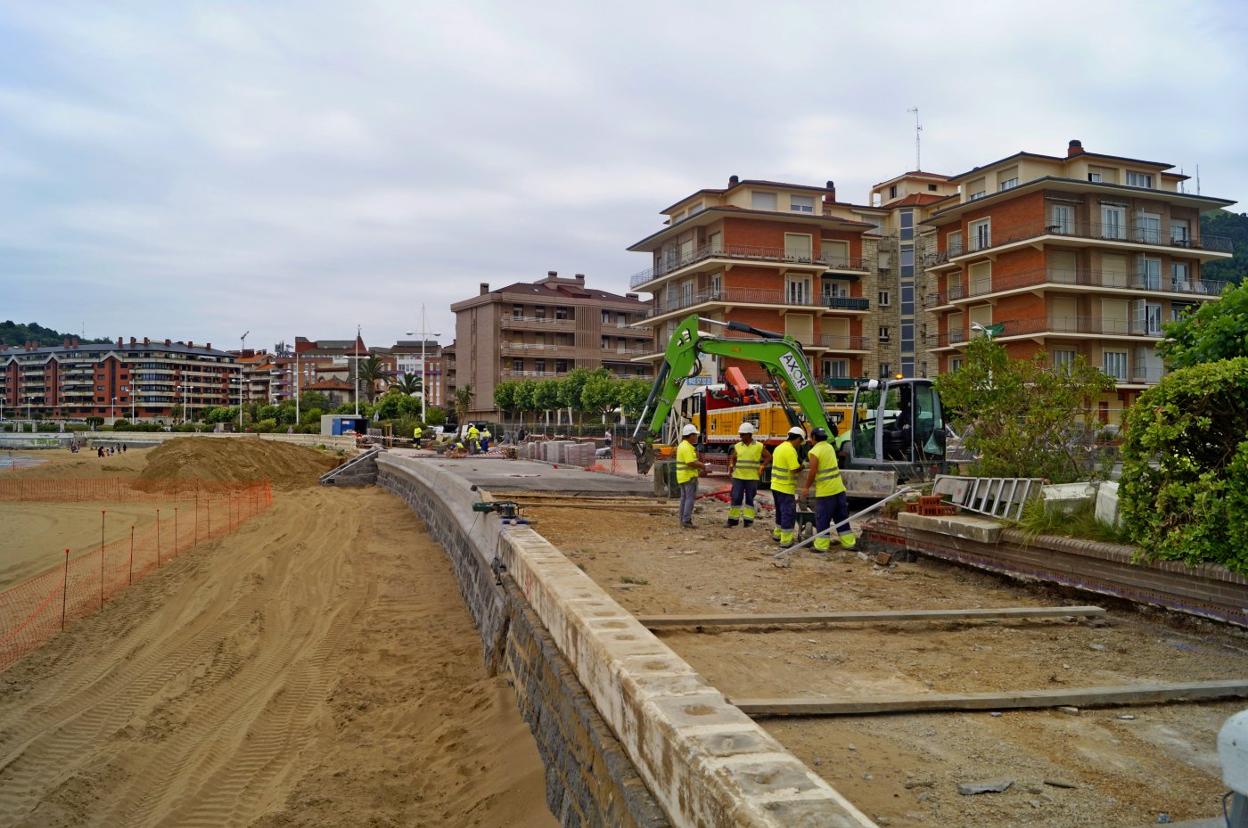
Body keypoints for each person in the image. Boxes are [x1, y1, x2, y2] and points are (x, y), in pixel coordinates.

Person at [802, 427, 855, 552]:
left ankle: (821, 546)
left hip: (826, 491)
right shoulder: (829, 447)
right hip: (838, 488)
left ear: (814, 437)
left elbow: (813, 471)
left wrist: (806, 487)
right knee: (841, 517)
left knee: (823, 518)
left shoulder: (814, 452)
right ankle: (849, 543)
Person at [726, 422, 769, 527]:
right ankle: (732, 520)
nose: (741, 437)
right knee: (736, 498)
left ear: (749, 434)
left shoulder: (759, 446)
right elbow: (733, 457)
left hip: (752, 477)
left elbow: (768, 456)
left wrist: (762, 466)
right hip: (738, 477)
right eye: (740, 434)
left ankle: (748, 521)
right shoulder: (737, 446)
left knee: (750, 499)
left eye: (743, 434)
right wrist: (731, 466)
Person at [769, 426, 805, 548]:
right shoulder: (790, 450)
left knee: (780, 512)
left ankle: (777, 534)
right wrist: (803, 466)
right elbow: (794, 469)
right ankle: (786, 540)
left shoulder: (779, 448)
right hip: (785, 487)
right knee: (788, 513)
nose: (799, 445)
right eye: (800, 442)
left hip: (775, 485)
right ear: (798, 439)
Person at [675, 423, 706, 529]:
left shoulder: (682, 445)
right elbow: (690, 462)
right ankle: (686, 520)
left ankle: (682, 519)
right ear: (690, 435)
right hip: (689, 477)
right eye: (695, 435)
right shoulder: (687, 447)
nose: (696, 437)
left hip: (683, 477)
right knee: (689, 499)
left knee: (684, 498)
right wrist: (702, 466)